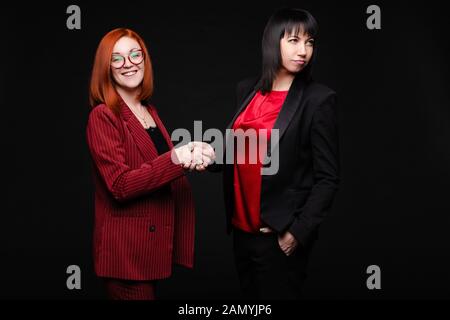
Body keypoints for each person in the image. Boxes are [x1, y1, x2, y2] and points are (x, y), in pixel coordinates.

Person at [212, 8, 340, 299]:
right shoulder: (247, 89)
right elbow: (237, 149)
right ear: (273, 42)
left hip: (279, 236)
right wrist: (206, 153)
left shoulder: (319, 99)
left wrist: (298, 231)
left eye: (309, 42)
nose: (304, 50)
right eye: (294, 40)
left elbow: (328, 178)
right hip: (241, 232)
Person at [86, 28, 214, 300]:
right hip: (126, 258)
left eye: (135, 54)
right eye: (117, 58)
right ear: (106, 68)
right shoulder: (103, 115)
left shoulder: (148, 110)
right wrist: (176, 157)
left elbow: (160, 168)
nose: (129, 63)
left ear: (145, 59)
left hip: (149, 252)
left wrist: (193, 154)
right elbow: (120, 186)